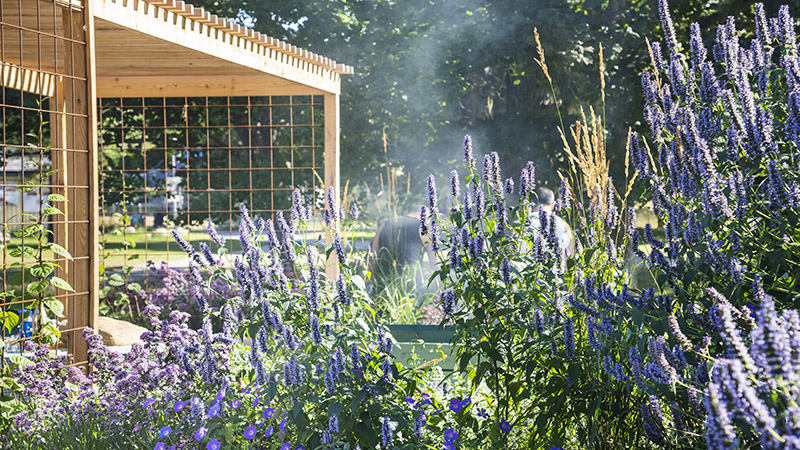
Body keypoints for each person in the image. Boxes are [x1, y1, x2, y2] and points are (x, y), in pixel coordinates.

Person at [523, 187, 574, 257]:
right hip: (558, 266)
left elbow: (511, 253)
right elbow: (573, 253)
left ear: (532, 202)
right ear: (553, 204)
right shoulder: (564, 225)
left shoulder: (523, 222)